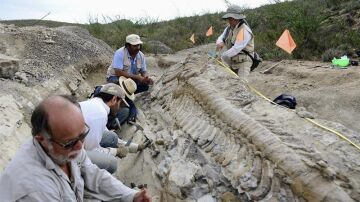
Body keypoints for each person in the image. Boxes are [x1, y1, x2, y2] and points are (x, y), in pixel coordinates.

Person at [0, 95, 151, 201]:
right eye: (70, 142)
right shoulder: (35, 190)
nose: (80, 146)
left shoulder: (66, 148)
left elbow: (93, 173)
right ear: (42, 140)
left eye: (83, 134)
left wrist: (130, 196)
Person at [81, 83, 144, 174]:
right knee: (111, 163)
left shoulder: (95, 104)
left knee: (112, 137)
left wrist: (134, 147)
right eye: (120, 104)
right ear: (114, 99)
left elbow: (105, 132)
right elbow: (91, 150)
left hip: (74, 142)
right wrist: (116, 152)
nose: (119, 108)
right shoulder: (100, 114)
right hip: (69, 154)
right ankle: (87, 180)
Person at [106, 34, 154, 121]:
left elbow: (143, 71)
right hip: (115, 77)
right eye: (135, 45)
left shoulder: (141, 55)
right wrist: (137, 77)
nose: (138, 47)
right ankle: (132, 109)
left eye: (139, 45)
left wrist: (146, 78)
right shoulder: (120, 53)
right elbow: (118, 72)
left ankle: (125, 95)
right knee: (120, 87)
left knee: (145, 86)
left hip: (130, 80)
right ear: (127, 45)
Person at [216, 4, 255, 80]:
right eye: (228, 18)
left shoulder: (244, 31)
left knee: (242, 85)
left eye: (231, 18)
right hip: (232, 61)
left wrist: (222, 57)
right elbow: (221, 37)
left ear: (237, 18)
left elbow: (236, 49)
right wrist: (220, 42)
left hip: (243, 62)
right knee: (232, 84)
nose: (229, 21)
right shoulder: (229, 28)